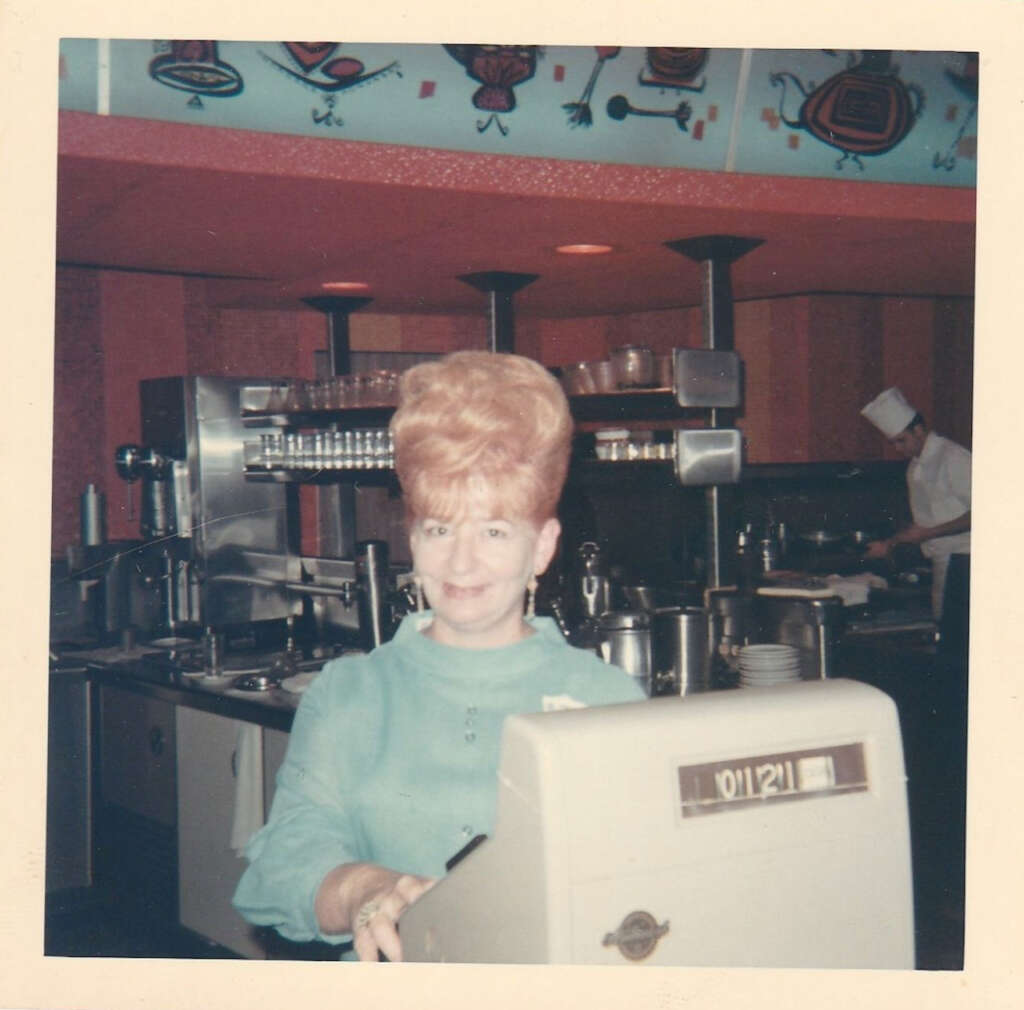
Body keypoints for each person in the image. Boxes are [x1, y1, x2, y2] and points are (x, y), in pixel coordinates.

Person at [232, 350, 645, 962]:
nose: (461, 563)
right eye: (440, 528)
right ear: (412, 536)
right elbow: (281, 865)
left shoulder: (609, 702)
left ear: (544, 546)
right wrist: (364, 889)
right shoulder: (349, 692)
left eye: (495, 531)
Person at [860, 386, 971, 620]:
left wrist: (928, 533)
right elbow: (922, 526)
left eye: (901, 441)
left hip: (967, 562)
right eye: (893, 443)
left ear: (919, 430)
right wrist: (890, 543)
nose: (898, 449)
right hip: (942, 562)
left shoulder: (953, 457)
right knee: (946, 630)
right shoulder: (915, 466)